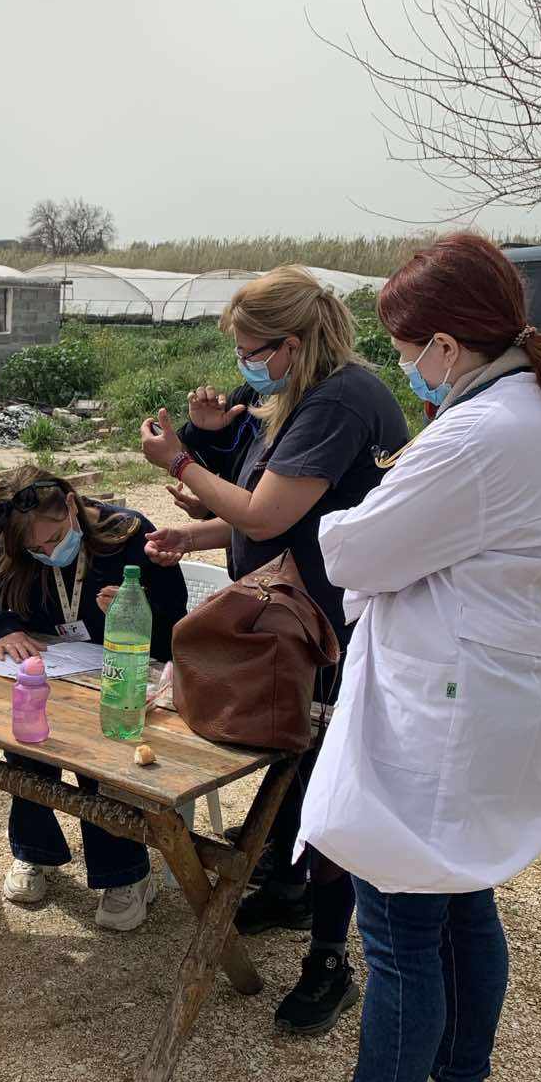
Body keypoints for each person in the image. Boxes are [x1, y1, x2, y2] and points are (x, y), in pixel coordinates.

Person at [249, 232, 541, 1082]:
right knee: (463, 897)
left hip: (447, 706)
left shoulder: (477, 434)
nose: (405, 368)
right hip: (497, 685)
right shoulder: (536, 409)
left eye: (407, 350)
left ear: (444, 345)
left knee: (396, 926)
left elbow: (355, 551)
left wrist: (350, 522)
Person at [140, 266, 409, 1033]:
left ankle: (330, 959)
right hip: (294, 617)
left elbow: (264, 514)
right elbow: (276, 513)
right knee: (292, 763)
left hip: (330, 625)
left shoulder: (340, 402)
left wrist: (180, 463)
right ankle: (290, 891)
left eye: (252, 350)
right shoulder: (300, 396)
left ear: (292, 344)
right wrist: (196, 533)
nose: (244, 365)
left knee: (329, 786)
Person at [0, 468, 188, 931]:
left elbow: (179, 628)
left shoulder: (131, 535)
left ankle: (126, 874)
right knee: (25, 742)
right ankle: (33, 851)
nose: (47, 552)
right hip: (53, 677)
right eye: (35, 549)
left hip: (123, 682)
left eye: (55, 538)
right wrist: (1, 628)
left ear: (73, 506)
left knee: (101, 757)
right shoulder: (15, 546)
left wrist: (135, 613)